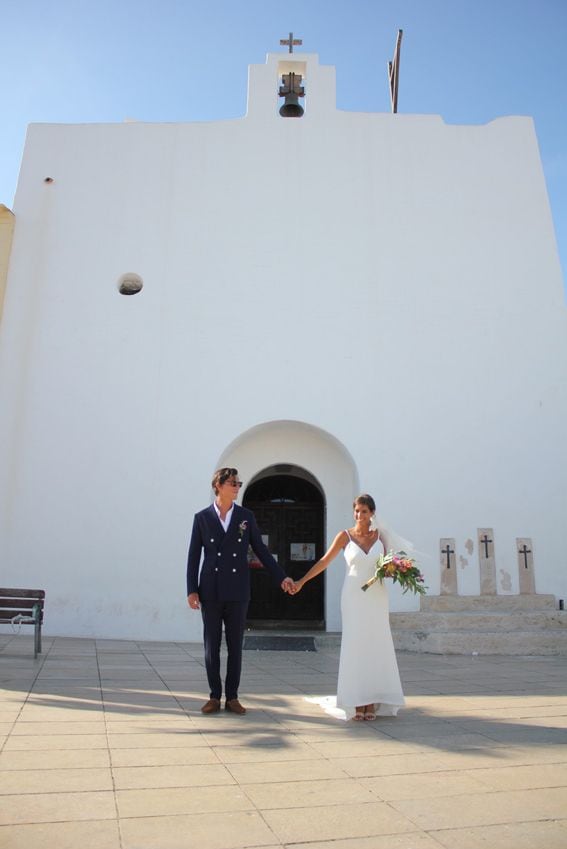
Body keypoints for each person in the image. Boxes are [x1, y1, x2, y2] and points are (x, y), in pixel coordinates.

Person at [187, 467, 294, 715]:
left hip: (237, 590)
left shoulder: (246, 517)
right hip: (210, 590)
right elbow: (194, 556)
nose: (237, 487)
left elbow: (261, 551)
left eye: (238, 483)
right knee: (211, 645)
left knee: (235, 645)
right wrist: (192, 590)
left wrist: (281, 577)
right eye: (233, 483)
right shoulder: (202, 518)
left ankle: (232, 697)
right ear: (219, 486)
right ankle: (214, 696)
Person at [290, 494, 405, 721]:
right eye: (356, 511)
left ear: (372, 513)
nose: (359, 515)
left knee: (375, 644)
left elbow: (391, 568)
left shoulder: (381, 537)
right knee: (355, 645)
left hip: (376, 596)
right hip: (353, 596)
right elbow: (324, 561)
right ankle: (356, 701)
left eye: (363, 511)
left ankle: (370, 701)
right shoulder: (344, 536)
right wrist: (301, 581)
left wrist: (396, 570)